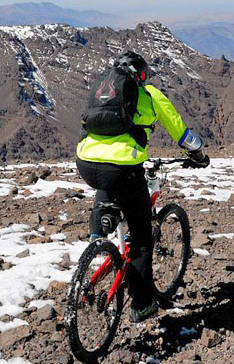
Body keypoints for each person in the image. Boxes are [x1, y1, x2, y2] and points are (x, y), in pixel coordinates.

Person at [75, 51, 209, 323]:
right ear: (142, 75)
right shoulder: (148, 95)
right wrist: (198, 155)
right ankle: (142, 304)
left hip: (86, 162)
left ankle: (96, 244)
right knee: (141, 236)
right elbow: (182, 133)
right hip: (123, 167)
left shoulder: (102, 92)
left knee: (108, 187)